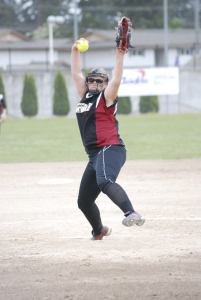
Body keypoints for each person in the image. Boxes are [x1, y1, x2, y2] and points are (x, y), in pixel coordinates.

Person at [71, 38, 145, 240]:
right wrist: (75, 50)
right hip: (95, 154)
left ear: (104, 84)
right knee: (84, 201)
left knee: (105, 181)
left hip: (110, 148)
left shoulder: (106, 97)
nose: (95, 83)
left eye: (99, 81)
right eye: (92, 80)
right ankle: (99, 230)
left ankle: (131, 212)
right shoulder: (84, 95)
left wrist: (120, 55)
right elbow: (75, 73)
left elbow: (117, 81)